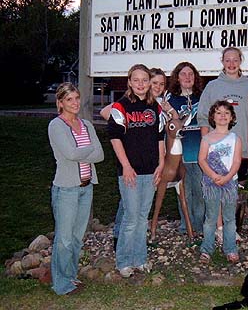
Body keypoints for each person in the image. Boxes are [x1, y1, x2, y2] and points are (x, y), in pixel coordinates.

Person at [108, 64, 165, 278]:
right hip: (130, 171)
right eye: (136, 80)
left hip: (151, 170)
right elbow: (115, 138)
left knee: (142, 217)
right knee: (131, 218)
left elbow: (160, 137)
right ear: (129, 82)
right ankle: (123, 261)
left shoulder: (155, 107)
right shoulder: (120, 106)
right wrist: (126, 166)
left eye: (145, 80)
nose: (141, 84)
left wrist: (161, 163)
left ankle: (139, 259)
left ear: (149, 82)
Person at [48, 82, 104, 295]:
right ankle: (61, 284)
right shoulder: (56, 125)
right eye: (69, 99)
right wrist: (88, 148)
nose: (75, 103)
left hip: (86, 187)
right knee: (64, 239)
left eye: (77, 98)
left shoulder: (87, 125)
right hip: (66, 190)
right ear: (60, 103)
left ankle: (70, 277)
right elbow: (70, 154)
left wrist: (82, 150)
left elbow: (100, 155)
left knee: (77, 237)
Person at [198, 47, 248, 242]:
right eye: (227, 60)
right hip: (216, 151)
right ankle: (219, 227)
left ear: (241, 61)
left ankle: (233, 227)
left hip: (241, 148)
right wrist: (206, 143)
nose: (231, 64)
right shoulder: (213, 86)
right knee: (217, 188)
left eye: (235, 60)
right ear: (222, 62)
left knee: (236, 189)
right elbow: (204, 116)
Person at [160, 61, 205, 234]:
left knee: (200, 192)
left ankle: (199, 226)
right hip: (179, 151)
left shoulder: (202, 97)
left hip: (200, 149)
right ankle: (186, 225)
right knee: (184, 192)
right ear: (177, 78)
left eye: (191, 74)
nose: (187, 77)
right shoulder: (170, 98)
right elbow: (168, 124)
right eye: (183, 74)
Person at [198, 100, 242, 264]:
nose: (222, 116)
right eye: (218, 112)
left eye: (226, 113)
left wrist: (227, 177)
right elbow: (202, 160)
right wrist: (213, 176)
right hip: (211, 183)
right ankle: (207, 249)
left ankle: (230, 248)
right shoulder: (207, 138)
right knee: (211, 217)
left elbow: (237, 161)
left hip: (230, 182)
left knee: (229, 218)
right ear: (213, 117)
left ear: (231, 117)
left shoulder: (235, 139)